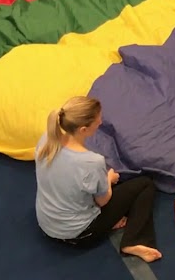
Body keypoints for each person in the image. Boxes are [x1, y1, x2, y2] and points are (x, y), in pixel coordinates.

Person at [34, 96, 162, 263]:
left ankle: (111, 221)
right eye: (97, 120)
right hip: (80, 234)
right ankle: (134, 240)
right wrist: (109, 179)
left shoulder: (47, 139)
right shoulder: (91, 162)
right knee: (145, 184)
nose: (100, 122)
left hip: (47, 224)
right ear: (83, 129)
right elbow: (103, 201)